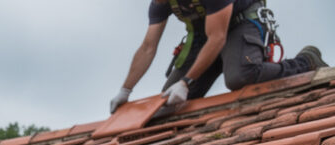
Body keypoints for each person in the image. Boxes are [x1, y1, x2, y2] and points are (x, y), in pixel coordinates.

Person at [110, 0, 327, 114]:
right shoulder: (160, 3)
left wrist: (186, 83)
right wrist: (125, 90)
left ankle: (306, 61)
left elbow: (218, 38)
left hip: (241, 24)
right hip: (204, 35)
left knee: (240, 77)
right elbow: (148, 46)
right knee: (167, 104)